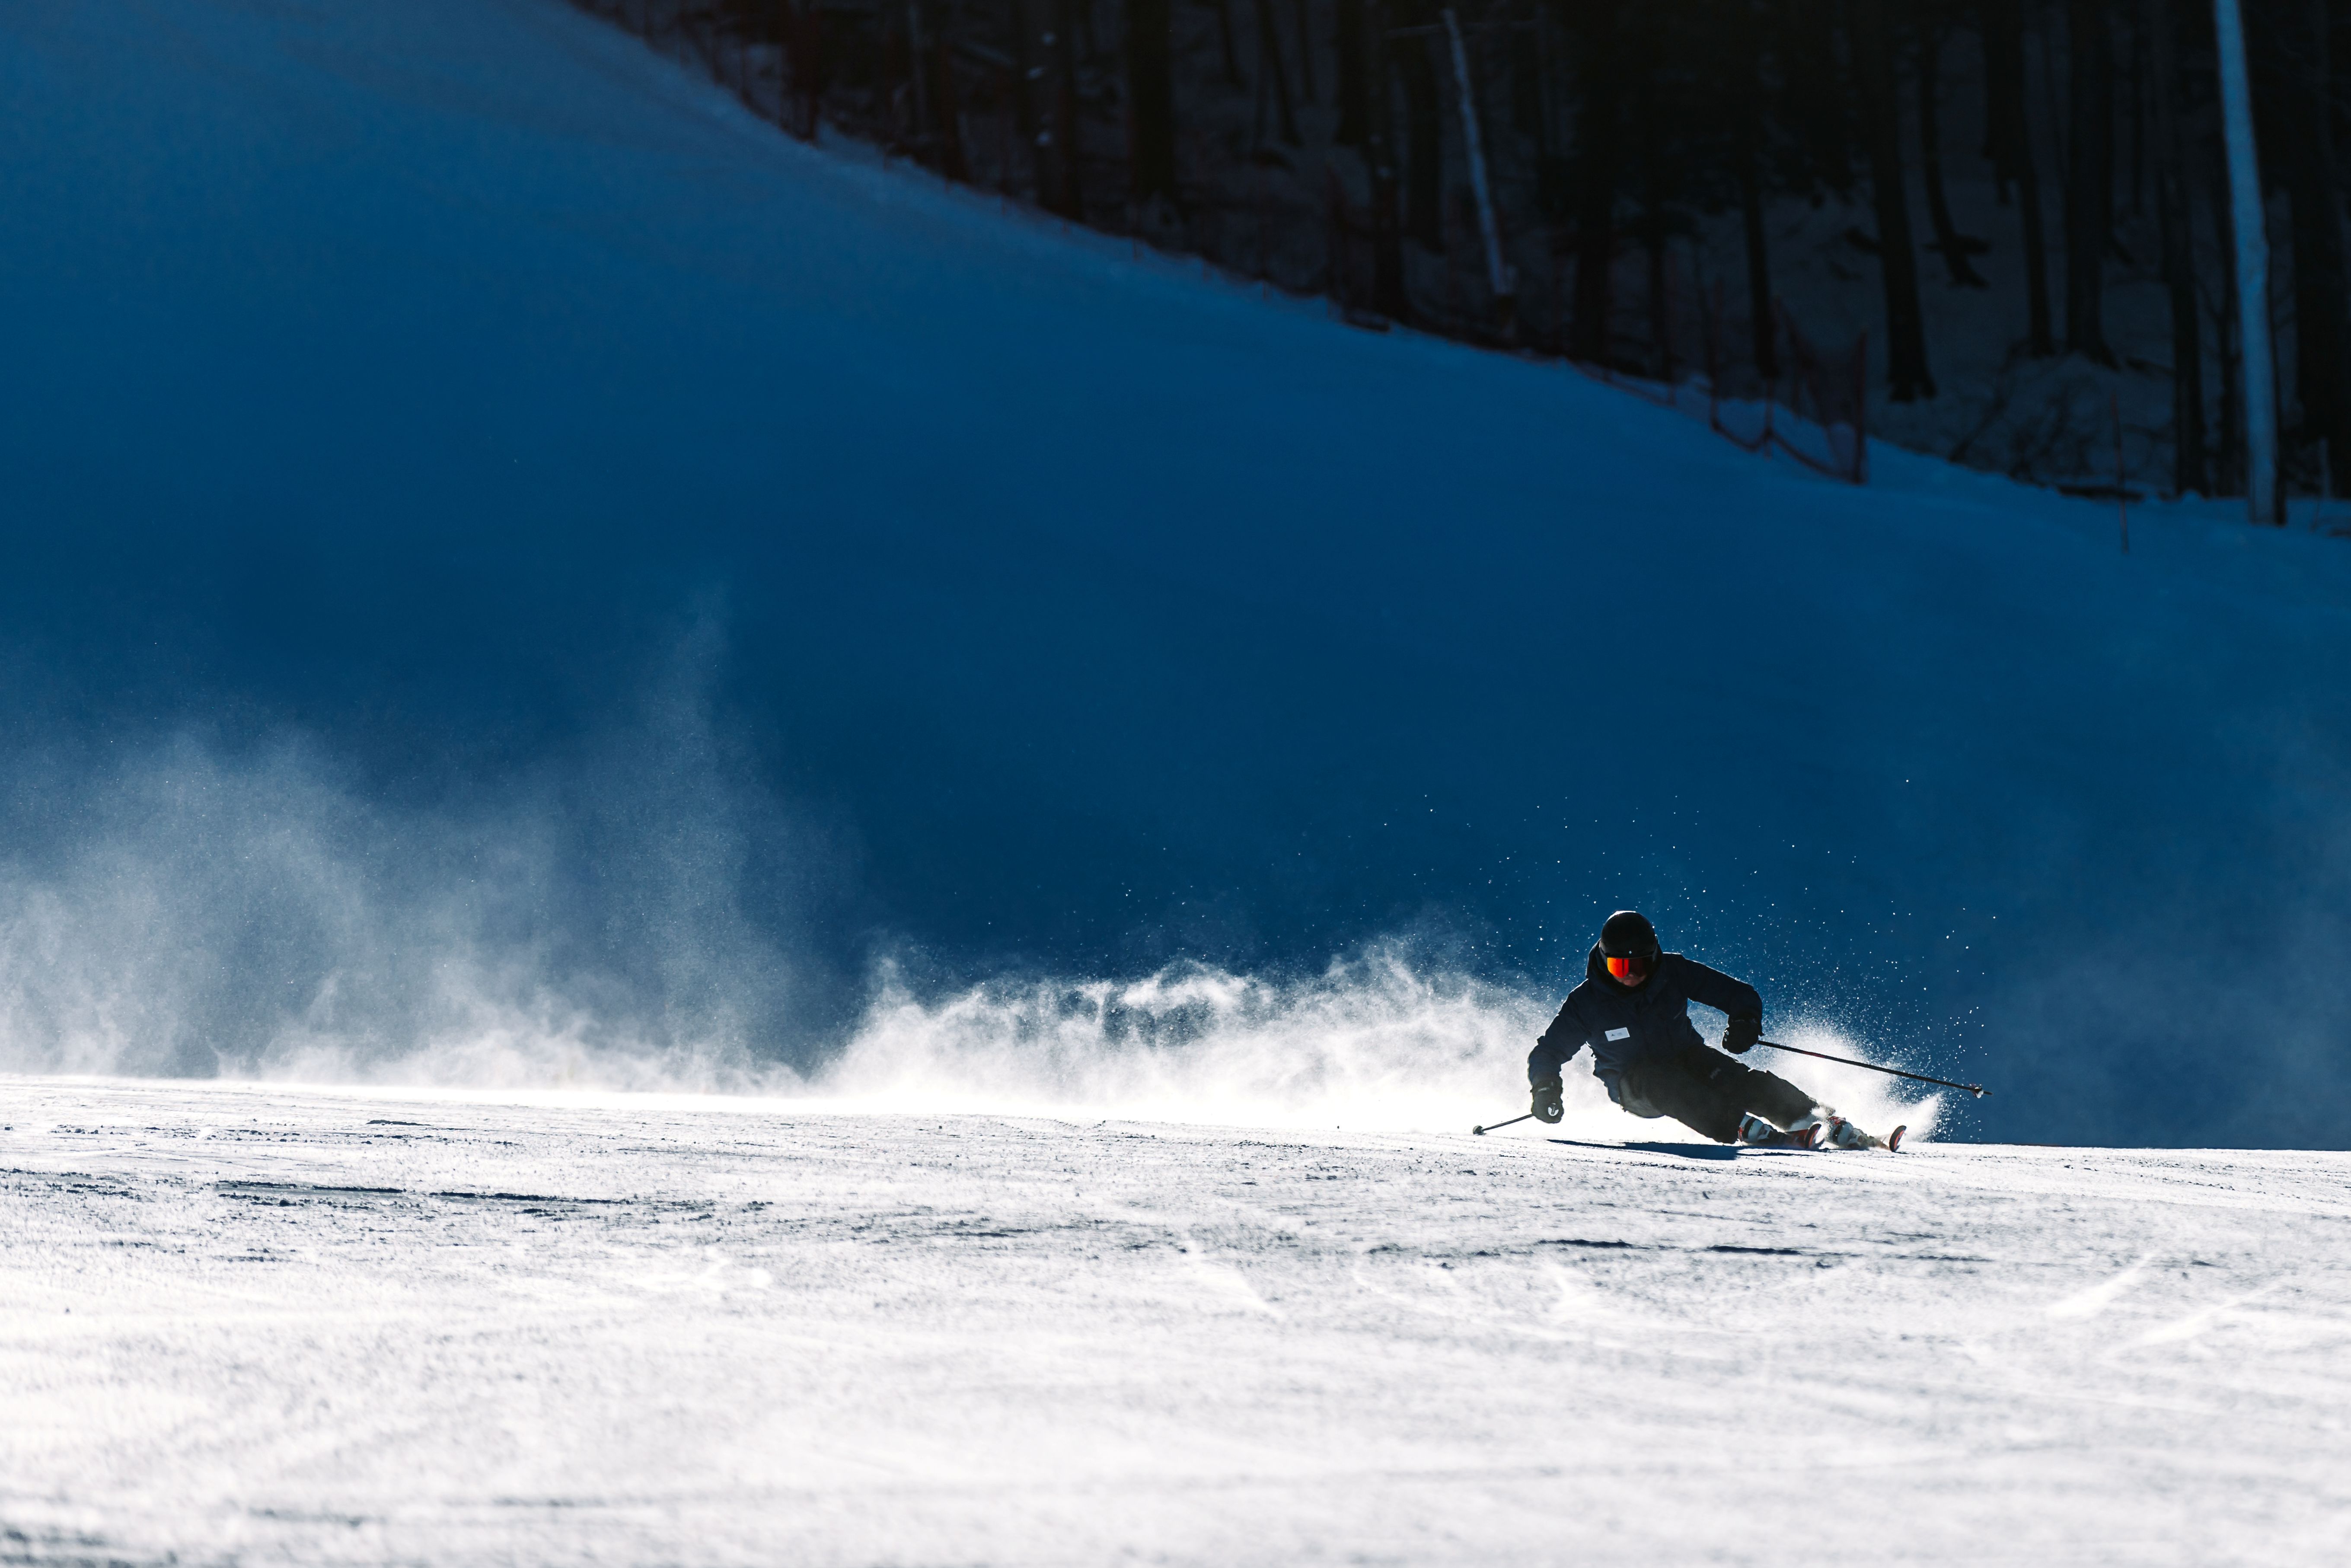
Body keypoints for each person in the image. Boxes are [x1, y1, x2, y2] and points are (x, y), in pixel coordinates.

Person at [1526, 910, 1897, 1150]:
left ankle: (1818, 1120)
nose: (1633, 976)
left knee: (1740, 1079)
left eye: (1639, 965)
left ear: (1654, 956)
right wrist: (1545, 1088)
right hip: (1633, 1084)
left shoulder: (1672, 973)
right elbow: (1547, 1053)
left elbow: (1739, 995)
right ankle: (1741, 1127)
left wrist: (1744, 1022)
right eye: (1621, 969)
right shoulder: (1586, 1003)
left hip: (1687, 1056)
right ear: (1605, 962)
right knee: (1662, 1081)